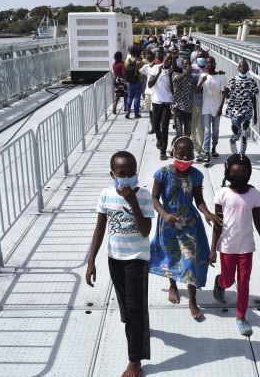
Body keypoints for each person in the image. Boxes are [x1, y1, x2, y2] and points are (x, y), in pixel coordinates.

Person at [86, 151, 154, 377]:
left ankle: (135, 361)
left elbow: (145, 231)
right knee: (126, 305)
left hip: (137, 259)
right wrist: (91, 261)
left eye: (131, 173)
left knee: (135, 311)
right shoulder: (105, 195)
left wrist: (132, 201)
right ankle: (133, 325)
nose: (127, 177)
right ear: (113, 174)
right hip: (115, 258)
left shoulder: (143, 195)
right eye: (122, 173)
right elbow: (99, 228)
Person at [148, 136, 222, 319]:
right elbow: (155, 198)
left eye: (188, 154)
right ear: (173, 153)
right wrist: (164, 214)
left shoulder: (196, 175)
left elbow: (199, 201)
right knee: (171, 255)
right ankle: (173, 285)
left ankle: (192, 299)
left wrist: (206, 213)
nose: (184, 158)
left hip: (189, 222)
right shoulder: (162, 173)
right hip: (168, 222)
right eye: (181, 154)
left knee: (190, 260)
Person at [209, 154, 260, 336]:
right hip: (226, 246)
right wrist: (213, 249)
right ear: (227, 173)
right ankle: (220, 283)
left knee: (243, 283)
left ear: (249, 173)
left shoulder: (254, 194)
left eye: (243, 174)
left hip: (246, 246)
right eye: (234, 174)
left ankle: (241, 317)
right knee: (228, 281)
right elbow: (217, 224)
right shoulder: (222, 194)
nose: (239, 177)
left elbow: (257, 218)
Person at [196, 57, 226, 164]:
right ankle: (207, 152)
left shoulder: (221, 76)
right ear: (206, 64)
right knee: (207, 130)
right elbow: (197, 90)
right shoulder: (203, 75)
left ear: (215, 64)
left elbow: (224, 93)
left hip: (216, 107)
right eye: (207, 62)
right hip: (206, 107)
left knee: (216, 130)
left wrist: (220, 108)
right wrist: (201, 82)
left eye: (211, 62)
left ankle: (214, 147)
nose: (209, 64)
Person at [225, 61, 259, 155]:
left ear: (248, 69)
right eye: (241, 66)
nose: (243, 68)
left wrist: (255, 114)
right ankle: (232, 140)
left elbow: (254, 98)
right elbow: (227, 96)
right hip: (235, 110)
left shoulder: (251, 82)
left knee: (244, 132)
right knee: (237, 133)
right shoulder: (233, 80)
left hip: (247, 110)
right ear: (238, 69)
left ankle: (242, 153)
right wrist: (226, 92)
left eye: (245, 66)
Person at [148, 55, 173, 160]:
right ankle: (159, 138)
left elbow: (173, 90)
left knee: (165, 127)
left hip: (167, 102)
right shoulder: (155, 68)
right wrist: (158, 73)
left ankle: (163, 151)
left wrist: (171, 76)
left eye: (171, 60)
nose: (169, 61)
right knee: (155, 126)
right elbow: (150, 84)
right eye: (167, 59)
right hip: (156, 101)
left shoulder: (173, 71)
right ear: (163, 59)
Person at [170, 58, 196, 139]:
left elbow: (197, 89)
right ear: (182, 66)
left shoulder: (192, 77)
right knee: (179, 132)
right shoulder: (176, 74)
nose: (188, 65)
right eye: (186, 64)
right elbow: (176, 79)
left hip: (188, 108)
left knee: (187, 133)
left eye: (189, 64)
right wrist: (186, 73)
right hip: (178, 108)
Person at [190, 50, 207, 159]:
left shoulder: (209, 69)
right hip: (192, 102)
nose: (200, 58)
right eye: (199, 56)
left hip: (203, 103)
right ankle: (193, 144)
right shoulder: (192, 68)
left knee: (201, 127)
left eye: (203, 57)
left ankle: (198, 150)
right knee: (192, 126)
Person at [124, 46, 145, 119]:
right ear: (136, 52)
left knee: (130, 97)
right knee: (137, 98)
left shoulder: (127, 61)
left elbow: (125, 70)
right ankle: (136, 113)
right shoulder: (139, 61)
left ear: (129, 52)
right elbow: (144, 68)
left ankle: (128, 111)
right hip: (138, 81)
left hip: (130, 82)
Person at [139, 51, 156, 134]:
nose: (149, 60)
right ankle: (153, 127)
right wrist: (136, 64)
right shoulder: (146, 67)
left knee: (157, 111)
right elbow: (138, 72)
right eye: (148, 59)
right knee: (150, 111)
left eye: (150, 59)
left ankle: (157, 126)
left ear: (154, 58)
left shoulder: (158, 67)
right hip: (148, 92)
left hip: (156, 92)